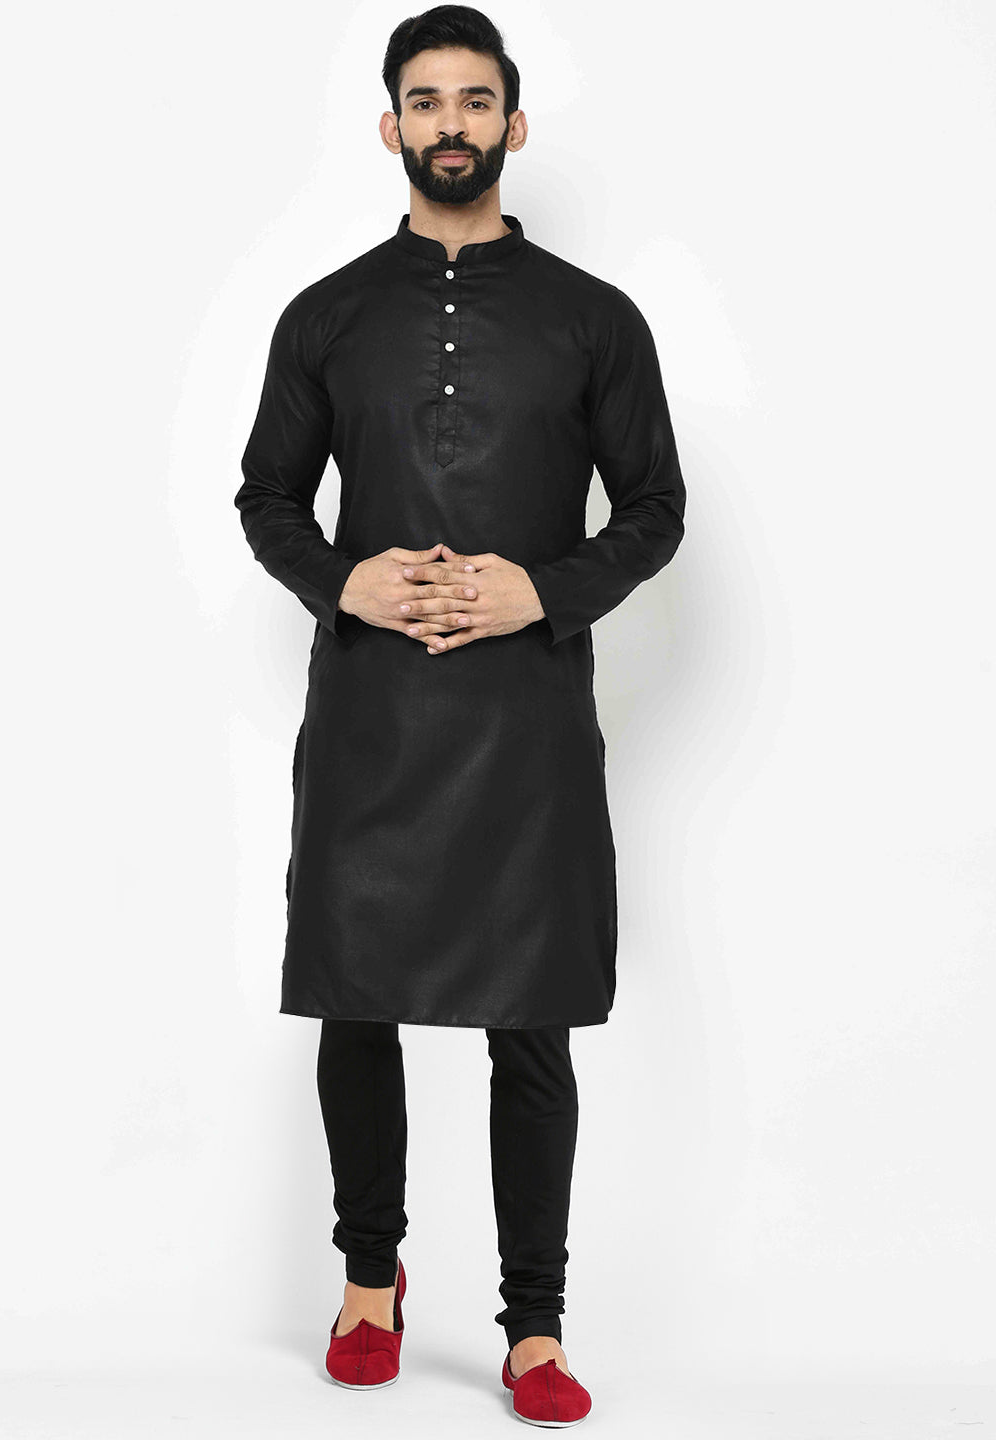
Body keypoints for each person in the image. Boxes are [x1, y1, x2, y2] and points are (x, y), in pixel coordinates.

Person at [234, 5, 686, 1425]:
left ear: (512, 123)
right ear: (391, 127)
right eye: (424, 100)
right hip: (372, 715)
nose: (450, 122)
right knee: (355, 998)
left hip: (527, 720)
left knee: (530, 1021)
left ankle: (535, 1330)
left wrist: (540, 592)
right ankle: (369, 1285)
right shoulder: (326, 315)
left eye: (474, 100)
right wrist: (345, 579)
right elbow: (265, 496)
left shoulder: (594, 319)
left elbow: (656, 508)